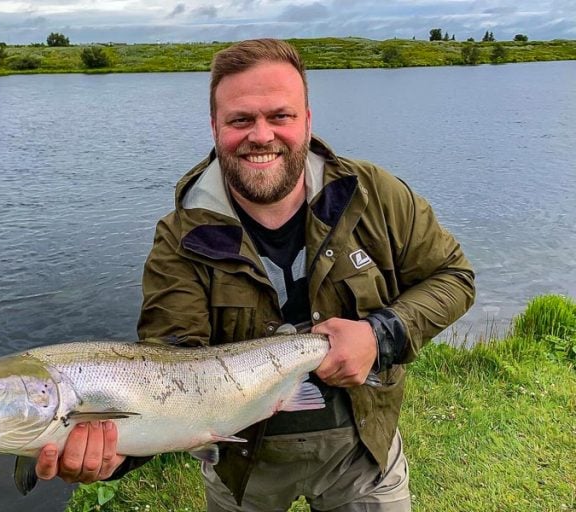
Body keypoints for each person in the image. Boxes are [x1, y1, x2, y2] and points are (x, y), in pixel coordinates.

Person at [36, 38, 475, 511]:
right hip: (243, 466)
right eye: (240, 120)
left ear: (307, 119)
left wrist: (379, 335)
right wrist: (115, 453)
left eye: (280, 116)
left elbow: (453, 277)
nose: (261, 136)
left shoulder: (375, 195)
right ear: (215, 127)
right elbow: (170, 365)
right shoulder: (180, 237)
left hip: (364, 452)